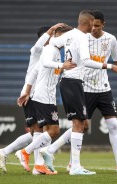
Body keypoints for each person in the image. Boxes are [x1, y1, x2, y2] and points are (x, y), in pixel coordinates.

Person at [40, 10, 117, 173]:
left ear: (102, 24)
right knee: (80, 125)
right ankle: (66, 160)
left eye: (97, 25)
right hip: (82, 85)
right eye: (93, 24)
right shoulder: (82, 37)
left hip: (99, 87)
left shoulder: (101, 38)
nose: (94, 28)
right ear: (89, 22)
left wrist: (58, 61)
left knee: (108, 124)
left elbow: (52, 44)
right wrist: (110, 66)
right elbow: (85, 61)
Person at [0, 23, 64, 172]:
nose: (55, 38)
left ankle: (9, 152)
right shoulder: (38, 52)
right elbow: (37, 48)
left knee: (36, 132)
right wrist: (50, 32)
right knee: (40, 131)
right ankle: (38, 166)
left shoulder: (51, 52)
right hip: (32, 95)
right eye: (52, 35)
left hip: (35, 94)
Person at [16, 24, 75, 175]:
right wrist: (63, 65)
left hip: (45, 95)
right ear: (58, 35)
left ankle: (38, 166)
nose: (67, 41)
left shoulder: (53, 50)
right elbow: (46, 64)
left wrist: (27, 92)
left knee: (46, 131)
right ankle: (25, 152)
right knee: (54, 130)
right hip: (44, 97)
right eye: (65, 38)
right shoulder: (49, 49)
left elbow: (35, 72)